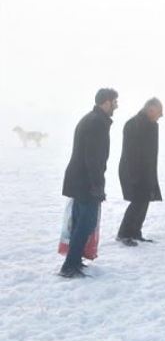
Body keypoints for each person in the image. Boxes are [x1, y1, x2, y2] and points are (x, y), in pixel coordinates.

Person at [59, 88, 118, 278]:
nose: (117, 105)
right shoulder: (97, 123)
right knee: (86, 222)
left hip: (79, 179)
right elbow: (93, 158)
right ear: (106, 102)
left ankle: (74, 261)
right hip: (85, 182)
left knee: (80, 223)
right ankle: (70, 266)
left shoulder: (92, 119)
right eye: (115, 101)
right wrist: (97, 186)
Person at [117, 98, 163, 246]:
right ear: (151, 109)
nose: (161, 116)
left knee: (144, 201)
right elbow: (132, 153)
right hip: (134, 170)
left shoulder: (151, 124)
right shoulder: (134, 124)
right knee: (137, 201)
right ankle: (124, 233)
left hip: (146, 170)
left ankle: (135, 232)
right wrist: (135, 175)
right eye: (159, 112)